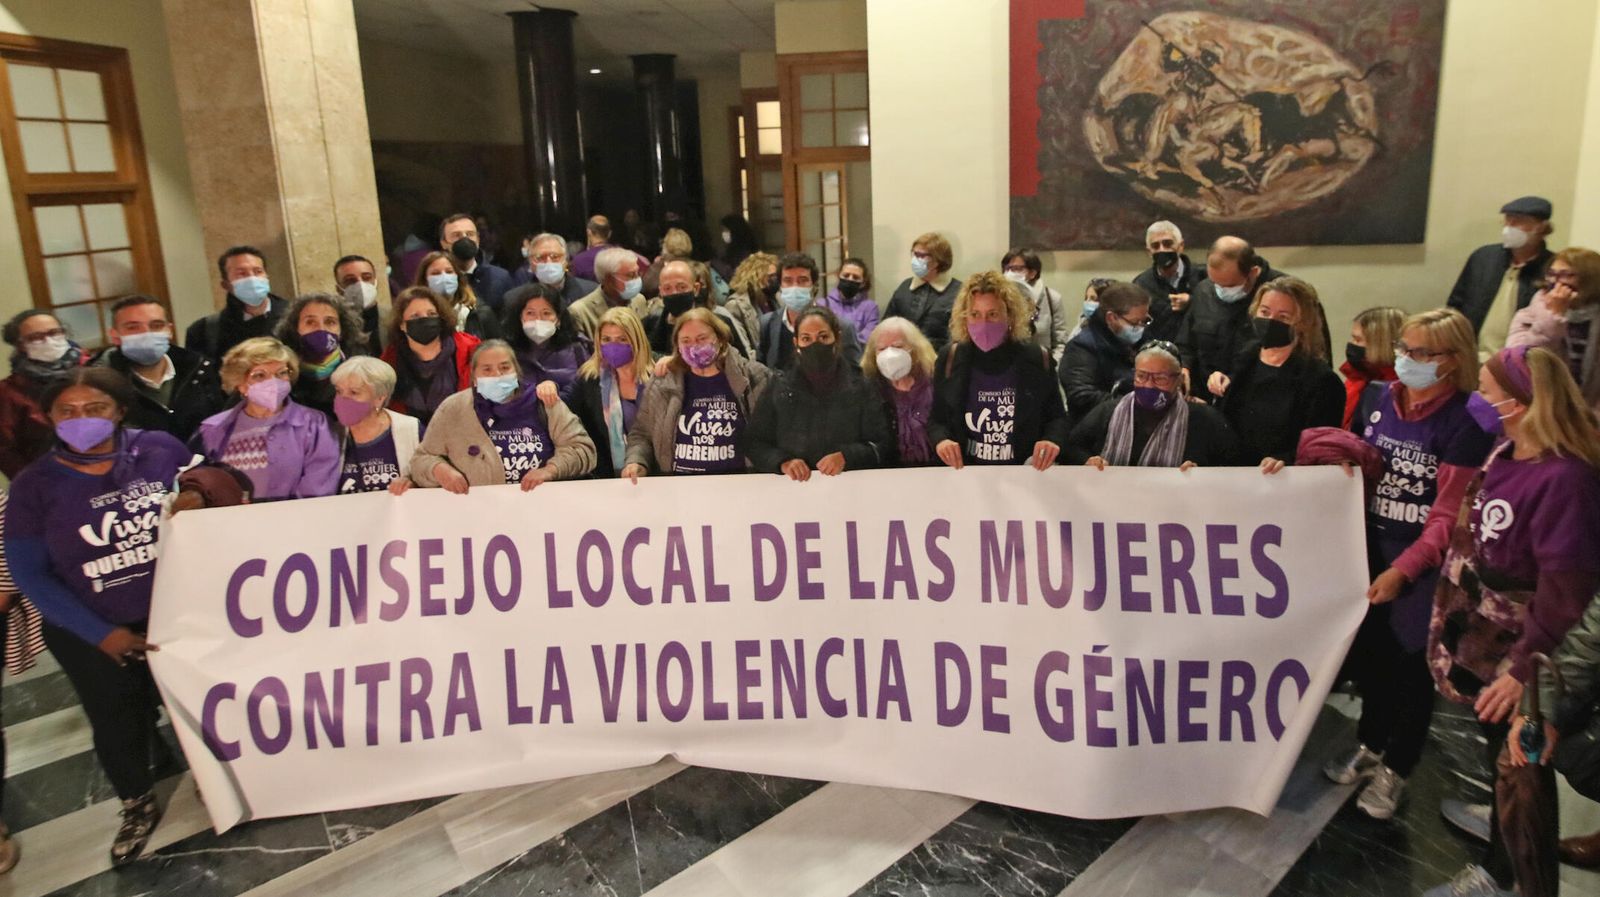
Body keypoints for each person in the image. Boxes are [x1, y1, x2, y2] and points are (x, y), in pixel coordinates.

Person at [4, 368, 210, 864]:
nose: (81, 420)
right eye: (66, 412)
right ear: (48, 417)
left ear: (119, 410)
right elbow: (30, 575)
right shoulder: (35, 487)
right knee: (116, 721)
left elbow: (205, 479)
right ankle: (136, 803)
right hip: (89, 629)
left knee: (194, 703)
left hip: (175, 615)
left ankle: (213, 777)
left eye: (94, 408)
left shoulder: (159, 448)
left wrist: (198, 493)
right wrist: (100, 634)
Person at [1423, 345, 1600, 897]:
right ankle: (1502, 830)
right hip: (1486, 635)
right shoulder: (1508, 449)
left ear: (1520, 403)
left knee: (1520, 762)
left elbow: (1565, 591)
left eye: (1485, 390)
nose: (1477, 400)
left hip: (1525, 648)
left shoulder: (1564, 479)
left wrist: (1524, 669)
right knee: (1495, 745)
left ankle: (1509, 876)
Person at [1317, 309, 1494, 821]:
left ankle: (1398, 765)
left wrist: (1406, 569)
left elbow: (1448, 516)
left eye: (1421, 353)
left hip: (1421, 564)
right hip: (1367, 547)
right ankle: (1371, 742)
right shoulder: (1381, 400)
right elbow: (1358, 465)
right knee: (1372, 656)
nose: (1407, 360)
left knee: (1411, 670)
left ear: (1453, 360)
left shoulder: (1468, 420)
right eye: (1404, 348)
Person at [409, 340, 596, 492]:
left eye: (505, 367)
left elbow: (582, 449)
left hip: (543, 515)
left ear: (517, 371)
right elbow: (421, 460)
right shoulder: (453, 408)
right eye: (487, 369)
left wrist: (551, 470)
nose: (497, 375)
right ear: (474, 377)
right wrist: (440, 470)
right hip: (481, 519)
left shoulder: (543, 402)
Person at [927, 270, 1067, 470]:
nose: (983, 323)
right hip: (968, 473)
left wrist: (1052, 440)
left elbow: (1057, 417)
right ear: (964, 317)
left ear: (1009, 316)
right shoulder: (950, 357)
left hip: (1022, 473)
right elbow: (937, 419)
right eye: (975, 315)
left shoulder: (1037, 358)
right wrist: (941, 441)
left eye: (992, 314)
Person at [743, 306, 891, 478]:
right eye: (806, 338)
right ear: (796, 342)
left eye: (823, 337)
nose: (815, 344)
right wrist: (783, 462)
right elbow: (754, 443)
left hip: (849, 487)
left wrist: (847, 456)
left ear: (837, 338)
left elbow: (882, 444)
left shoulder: (861, 385)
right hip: (793, 490)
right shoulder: (779, 385)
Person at [621, 308, 771, 478]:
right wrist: (637, 461)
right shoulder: (662, 382)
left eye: (702, 339)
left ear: (720, 339)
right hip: (680, 487)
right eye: (686, 341)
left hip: (739, 484)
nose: (694, 346)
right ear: (677, 346)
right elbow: (642, 433)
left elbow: (772, 432)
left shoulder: (754, 377)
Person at [1214, 277, 1343, 467]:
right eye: (1264, 312)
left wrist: (1286, 460)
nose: (1270, 321)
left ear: (1303, 324)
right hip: (1231, 474)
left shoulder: (1321, 380)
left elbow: (1318, 446)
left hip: (1280, 479)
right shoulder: (1241, 359)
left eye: (1283, 317)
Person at [193, 337, 339, 500]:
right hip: (232, 523)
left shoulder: (314, 424)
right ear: (240, 384)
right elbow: (199, 484)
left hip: (298, 522)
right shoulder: (212, 429)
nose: (273, 382)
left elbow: (318, 488)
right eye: (260, 375)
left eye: (281, 373)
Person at [1068, 341, 1237, 468]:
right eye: (1142, 376)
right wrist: (1088, 461)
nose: (1149, 385)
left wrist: (1203, 475)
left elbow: (1234, 465)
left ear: (1178, 380)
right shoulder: (1109, 411)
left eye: (1160, 378)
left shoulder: (1205, 420)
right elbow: (1071, 447)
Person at [94, 295, 225, 442]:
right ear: (115, 335)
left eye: (156, 326)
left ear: (169, 331)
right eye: (133, 327)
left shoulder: (201, 370)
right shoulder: (100, 385)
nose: (146, 333)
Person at [1175, 236, 1291, 399]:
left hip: (1257, 398)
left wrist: (1232, 380)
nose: (1221, 290)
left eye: (1229, 286)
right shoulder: (1204, 290)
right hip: (1207, 397)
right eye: (1215, 283)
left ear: (1253, 273)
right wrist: (1184, 368)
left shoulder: (1284, 297)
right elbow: (1186, 342)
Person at [1447, 196, 1556, 357]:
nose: (1509, 227)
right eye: (1507, 220)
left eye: (1518, 221)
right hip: (1471, 356)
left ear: (1541, 227)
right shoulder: (1483, 258)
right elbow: (1456, 304)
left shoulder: (1552, 268)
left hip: (1517, 361)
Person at [1507, 246, 1600, 414]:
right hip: (1539, 412)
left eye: (1566, 275)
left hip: (1590, 420)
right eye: (1552, 274)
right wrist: (1552, 317)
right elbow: (1520, 360)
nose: (1556, 282)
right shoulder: (1528, 315)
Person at [2, 309, 87, 478]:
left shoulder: (93, 372)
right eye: (35, 337)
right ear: (21, 345)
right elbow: (5, 450)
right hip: (49, 481)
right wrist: (33, 483)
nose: (48, 340)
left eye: (54, 333)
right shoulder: (8, 392)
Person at [568, 307, 653, 477]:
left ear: (636, 339)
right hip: (611, 475)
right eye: (606, 339)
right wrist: (548, 387)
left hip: (658, 471)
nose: (613, 346)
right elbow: (562, 406)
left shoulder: (659, 373)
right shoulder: (589, 377)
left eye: (622, 339)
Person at [379, 287, 479, 426]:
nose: (425, 319)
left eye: (431, 314)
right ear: (401, 324)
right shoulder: (388, 363)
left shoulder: (472, 352)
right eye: (415, 316)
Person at [1058, 281, 1151, 427]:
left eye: (1144, 321)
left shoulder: (1141, 341)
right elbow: (1082, 396)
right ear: (1111, 318)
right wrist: (1137, 403)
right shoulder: (1081, 347)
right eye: (1134, 323)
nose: (1140, 327)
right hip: (1096, 429)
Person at [757, 253, 861, 370]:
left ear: (814, 285)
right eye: (788, 280)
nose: (795, 286)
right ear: (780, 286)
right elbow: (762, 369)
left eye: (802, 280)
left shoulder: (842, 327)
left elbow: (855, 376)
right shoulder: (768, 323)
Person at [272, 293, 369, 418]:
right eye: (310, 322)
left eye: (330, 322)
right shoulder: (282, 372)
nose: (321, 328)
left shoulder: (361, 368)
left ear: (342, 329)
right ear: (295, 329)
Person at [330, 356, 417, 495]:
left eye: (354, 392)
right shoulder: (330, 434)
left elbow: (428, 475)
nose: (343, 399)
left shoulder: (411, 429)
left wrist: (413, 484)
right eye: (339, 391)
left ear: (379, 398)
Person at [185, 245, 286, 364]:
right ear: (226, 285)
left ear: (267, 276)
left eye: (258, 271)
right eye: (241, 274)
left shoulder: (297, 317)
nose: (252, 279)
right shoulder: (204, 332)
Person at [862, 316, 938, 466]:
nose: (889, 354)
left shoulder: (934, 384)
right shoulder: (870, 390)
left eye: (897, 346)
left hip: (934, 472)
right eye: (882, 349)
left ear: (914, 349)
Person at [501, 283, 591, 404]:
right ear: (520, 317)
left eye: (546, 313)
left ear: (558, 319)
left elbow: (587, 391)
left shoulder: (577, 348)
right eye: (530, 313)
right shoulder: (506, 350)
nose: (538, 319)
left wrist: (555, 393)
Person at [644, 259, 749, 358]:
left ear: (696, 289)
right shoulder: (649, 325)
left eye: (681, 287)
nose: (674, 293)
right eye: (667, 289)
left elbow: (743, 365)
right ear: (661, 292)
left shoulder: (720, 324)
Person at [885, 232, 963, 352]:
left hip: (941, 360)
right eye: (915, 254)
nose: (916, 260)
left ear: (939, 260)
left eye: (923, 256)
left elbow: (960, 337)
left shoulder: (958, 292)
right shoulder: (905, 288)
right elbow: (886, 326)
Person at [1132, 220, 1205, 341]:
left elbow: (1218, 313)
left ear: (1180, 246)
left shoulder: (1203, 275)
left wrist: (1192, 302)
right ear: (1149, 252)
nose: (1162, 250)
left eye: (1167, 243)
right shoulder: (1141, 284)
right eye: (1155, 246)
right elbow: (1138, 325)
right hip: (1161, 353)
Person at [1001, 249, 1068, 365]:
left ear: (1033, 272)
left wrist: (1051, 366)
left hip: (1042, 368)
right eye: (1008, 269)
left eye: (1017, 269)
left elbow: (1060, 343)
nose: (1011, 273)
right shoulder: (999, 299)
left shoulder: (1052, 298)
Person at [1341, 306, 1405, 429]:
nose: (1352, 345)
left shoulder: (1397, 388)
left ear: (1380, 343)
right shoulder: (1356, 378)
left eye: (1358, 340)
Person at [415, 251, 500, 341]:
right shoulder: (415, 316)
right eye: (436, 273)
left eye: (449, 272)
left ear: (457, 277)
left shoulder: (480, 314)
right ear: (424, 280)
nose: (444, 277)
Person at [439, 213, 513, 312]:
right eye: (456, 235)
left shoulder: (500, 278)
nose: (465, 239)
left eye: (470, 234)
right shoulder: (437, 279)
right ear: (443, 243)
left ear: (478, 239)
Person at [569, 246, 649, 338]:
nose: (637, 279)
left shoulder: (639, 300)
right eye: (631, 275)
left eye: (638, 273)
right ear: (608, 279)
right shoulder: (579, 312)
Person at [509, 231, 600, 304]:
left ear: (566, 261)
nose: (549, 262)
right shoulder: (514, 299)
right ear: (531, 264)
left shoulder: (591, 293)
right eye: (540, 258)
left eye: (555, 257)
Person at [725, 251, 779, 357]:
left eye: (776, 276)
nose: (775, 280)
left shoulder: (776, 299)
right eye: (770, 277)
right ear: (755, 278)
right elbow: (743, 349)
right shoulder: (736, 306)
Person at [820, 257, 880, 351]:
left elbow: (868, 338)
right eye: (846, 275)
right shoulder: (823, 304)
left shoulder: (870, 307)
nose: (850, 279)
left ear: (863, 282)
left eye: (856, 277)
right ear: (838, 276)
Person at [571, 214, 648, 282]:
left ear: (589, 232)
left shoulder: (578, 260)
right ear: (609, 233)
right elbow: (646, 266)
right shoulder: (626, 254)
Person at [333, 254, 383, 347]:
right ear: (339, 289)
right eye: (350, 280)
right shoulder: (334, 325)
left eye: (367, 278)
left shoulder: (394, 318)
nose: (360, 284)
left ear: (376, 282)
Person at [713, 213, 758, 283]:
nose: (723, 233)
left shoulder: (745, 254)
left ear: (734, 231)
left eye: (726, 230)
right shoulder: (727, 252)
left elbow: (735, 276)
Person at [1067, 277, 1113, 343]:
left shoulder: (1114, 332)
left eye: (1093, 299)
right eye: (1086, 298)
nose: (1087, 302)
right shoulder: (1081, 325)